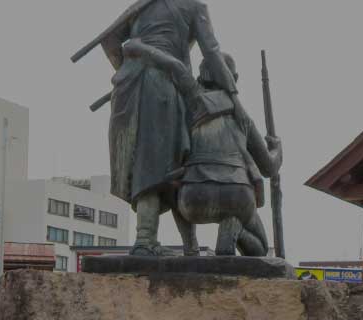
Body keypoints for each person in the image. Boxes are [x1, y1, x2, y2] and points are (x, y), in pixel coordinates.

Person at [99, 0, 238, 255]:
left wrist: (132, 65)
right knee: (161, 165)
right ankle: (145, 240)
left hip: (126, 85)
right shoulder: (195, 6)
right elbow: (212, 52)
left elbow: (109, 40)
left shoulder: (143, 4)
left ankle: (169, 242)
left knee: (145, 161)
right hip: (161, 84)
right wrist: (233, 93)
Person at [120, 40, 281, 256]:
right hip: (238, 194)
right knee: (260, 248)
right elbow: (269, 167)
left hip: (193, 197)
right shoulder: (243, 119)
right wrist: (277, 147)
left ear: (201, 75)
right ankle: (235, 229)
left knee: (175, 183)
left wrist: (140, 49)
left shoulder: (191, 99)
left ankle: (191, 247)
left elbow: (174, 66)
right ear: (233, 78)